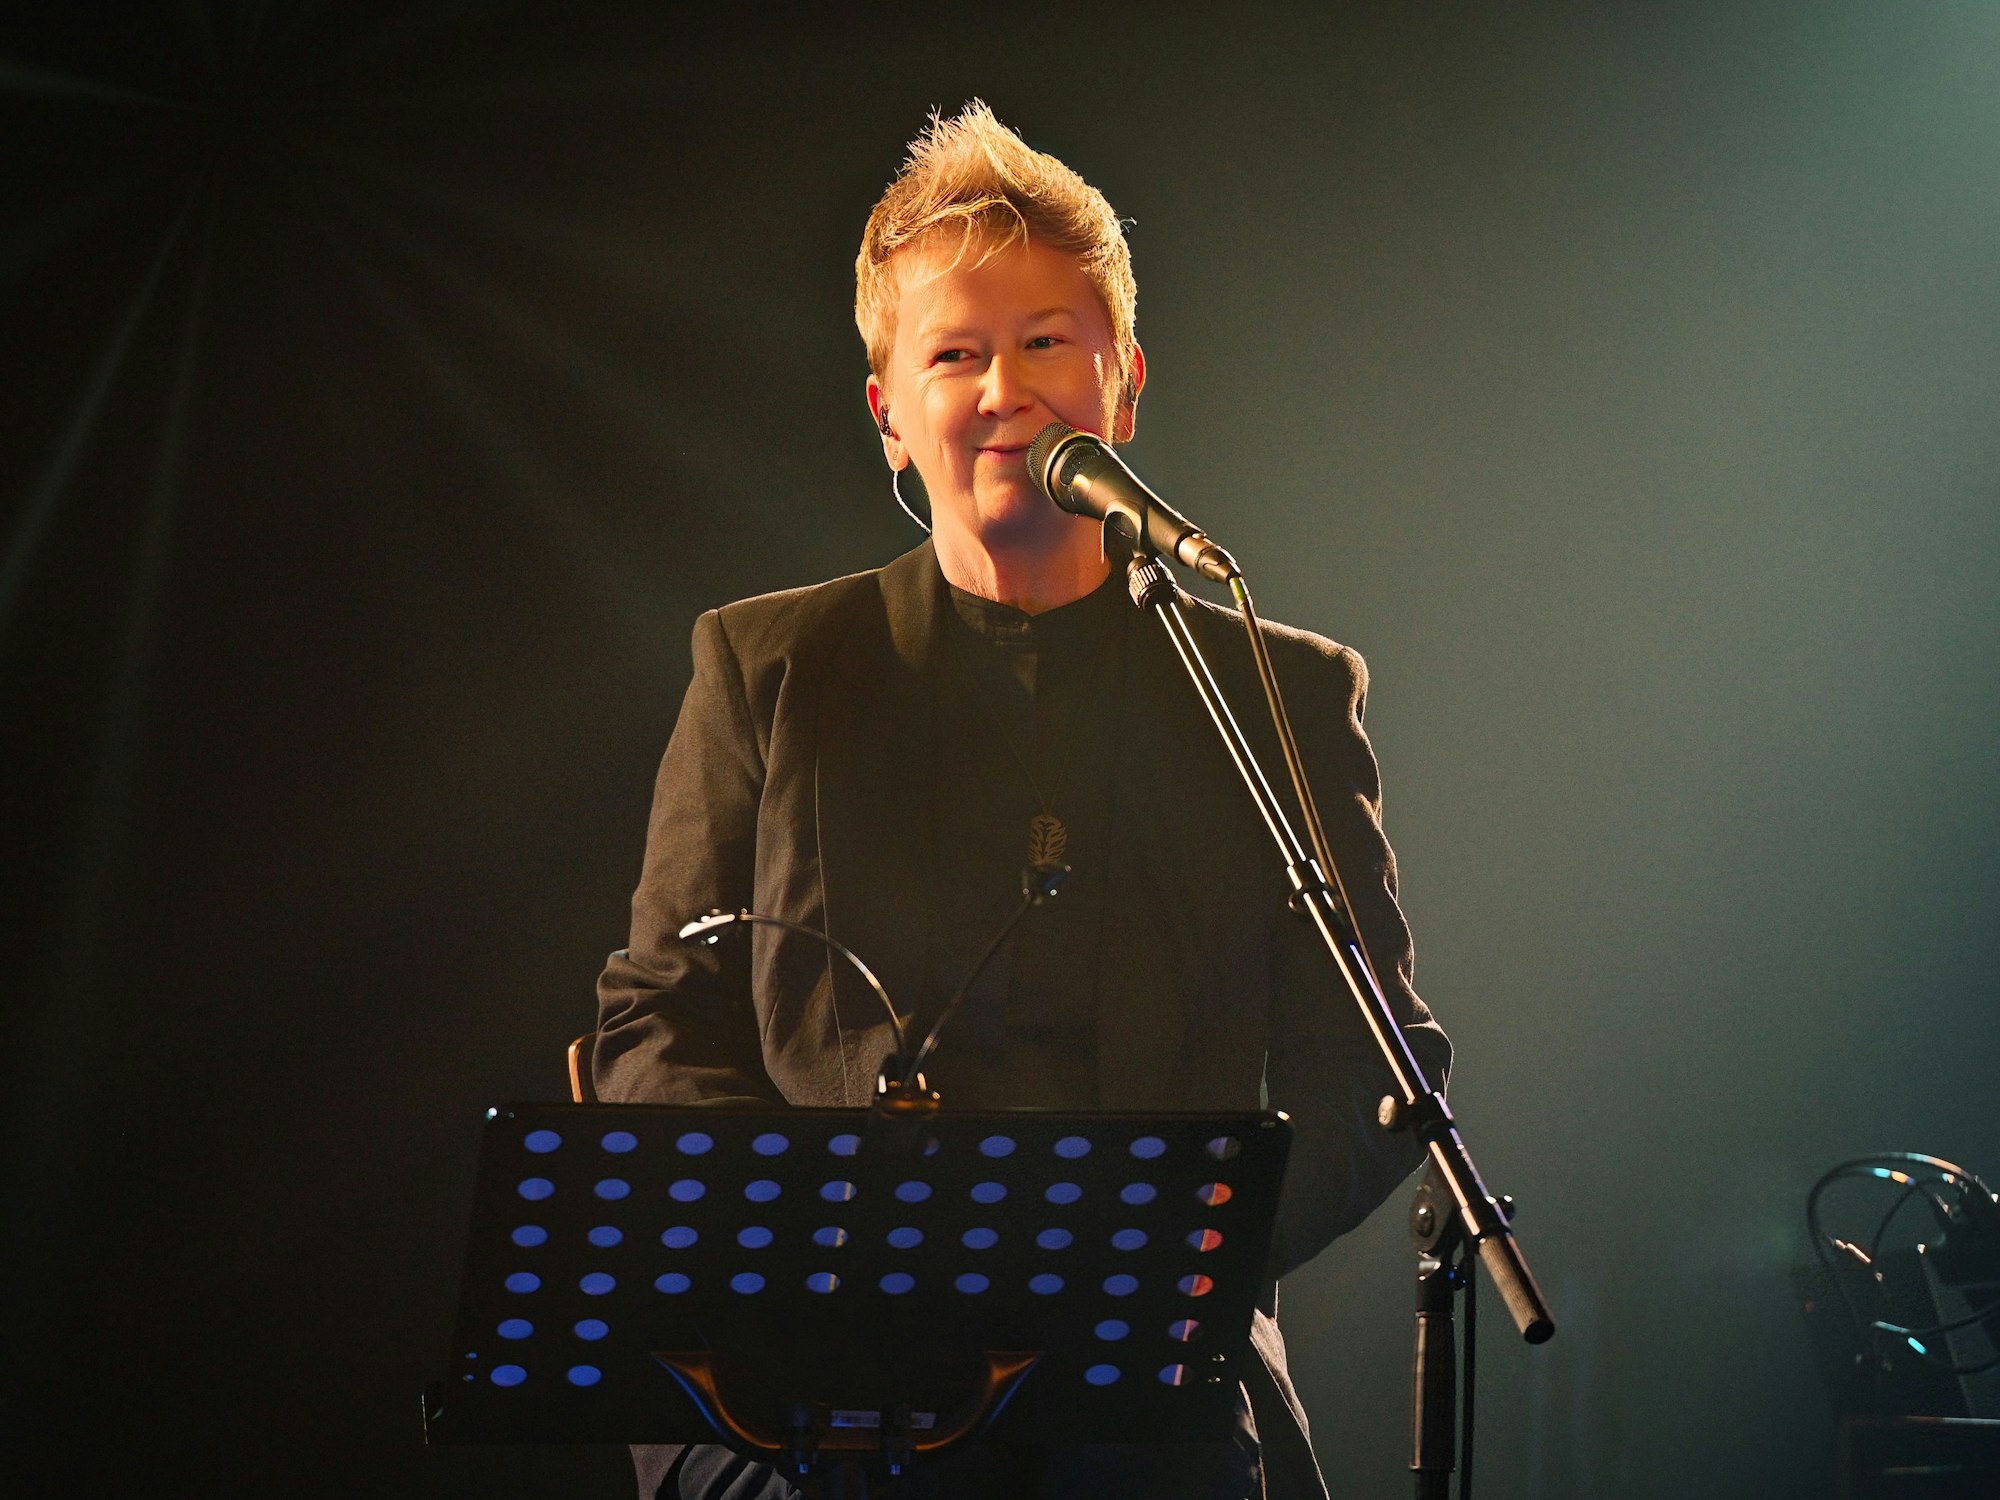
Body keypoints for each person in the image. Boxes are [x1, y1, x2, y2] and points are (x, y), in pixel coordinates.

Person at [595, 102, 1451, 1500]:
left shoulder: (1277, 691)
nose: (1004, 387)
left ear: (1124, 384)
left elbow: (1371, 1068)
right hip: (816, 1382)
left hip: (1148, 1386)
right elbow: (653, 1014)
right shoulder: (768, 669)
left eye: (1047, 341)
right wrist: (798, 1250)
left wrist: (1176, 1265)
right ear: (889, 416)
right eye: (954, 353)